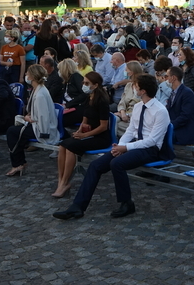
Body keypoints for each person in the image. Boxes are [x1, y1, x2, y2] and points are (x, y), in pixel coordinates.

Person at [53, 74, 171, 220]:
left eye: (135, 86)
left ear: (143, 91)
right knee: (96, 165)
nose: (133, 88)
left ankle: (126, 203)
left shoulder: (160, 111)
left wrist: (125, 148)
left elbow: (152, 141)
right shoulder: (139, 107)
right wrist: (120, 146)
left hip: (150, 150)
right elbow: (130, 130)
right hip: (134, 145)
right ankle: (77, 207)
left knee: (117, 163)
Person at [53, 71, 111, 198]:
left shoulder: (101, 101)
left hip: (100, 137)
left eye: (86, 83)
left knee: (71, 147)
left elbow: (103, 126)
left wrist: (84, 135)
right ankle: (61, 180)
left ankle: (65, 182)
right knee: (63, 145)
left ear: (95, 85)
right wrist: (79, 131)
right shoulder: (88, 97)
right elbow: (85, 118)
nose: (83, 85)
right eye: (83, 82)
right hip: (89, 133)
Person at [5, 64, 59, 176]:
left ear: (32, 77)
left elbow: (42, 117)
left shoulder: (40, 94)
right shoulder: (38, 90)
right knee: (14, 131)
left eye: (27, 73)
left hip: (42, 129)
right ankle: (19, 162)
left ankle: (18, 164)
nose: (25, 75)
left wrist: (28, 118)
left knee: (12, 132)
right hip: (38, 125)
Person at [164, 65, 194, 145]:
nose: (165, 79)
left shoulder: (187, 93)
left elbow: (185, 116)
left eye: (167, 76)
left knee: (160, 136)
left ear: (173, 78)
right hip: (175, 127)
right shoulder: (172, 93)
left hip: (185, 130)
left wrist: (170, 126)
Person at [113, 61, 144, 137]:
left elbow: (141, 106)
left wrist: (127, 115)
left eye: (126, 70)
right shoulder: (128, 85)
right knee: (111, 120)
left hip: (136, 117)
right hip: (124, 115)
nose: (125, 72)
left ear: (132, 72)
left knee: (113, 125)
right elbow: (122, 101)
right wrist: (122, 113)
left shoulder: (143, 86)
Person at [58, 59, 88, 126]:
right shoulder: (66, 80)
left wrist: (68, 105)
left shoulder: (76, 77)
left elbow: (84, 94)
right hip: (69, 106)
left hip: (79, 108)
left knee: (59, 120)